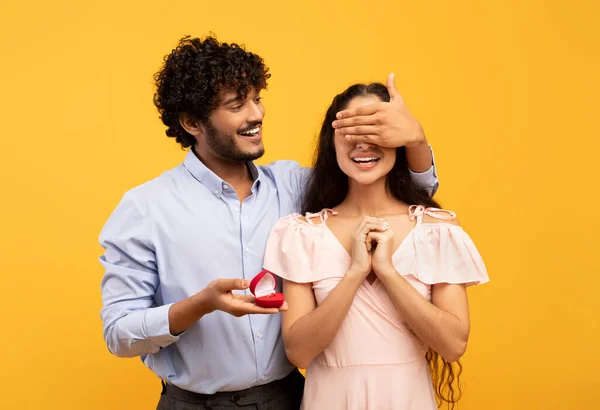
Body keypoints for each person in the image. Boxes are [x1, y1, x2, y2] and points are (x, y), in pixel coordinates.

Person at [99, 35, 440, 410]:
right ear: (192, 122)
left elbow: (401, 193)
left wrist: (415, 139)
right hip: (194, 404)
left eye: (256, 99)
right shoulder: (146, 208)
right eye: (237, 105)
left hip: (288, 398)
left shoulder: (295, 187)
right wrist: (199, 305)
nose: (256, 115)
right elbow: (119, 334)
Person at [263, 82, 489, 410]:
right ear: (332, 141)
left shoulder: (436, 230)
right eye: (351, 131)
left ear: (398, 140)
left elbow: (454, 344)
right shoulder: (302, 234)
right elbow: (298, 352)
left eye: (376, 130)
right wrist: (355, 272)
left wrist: (387, 271)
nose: (363, 144)